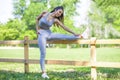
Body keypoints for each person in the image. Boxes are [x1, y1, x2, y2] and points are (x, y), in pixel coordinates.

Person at [36, 6, 88, 79]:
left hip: (49, 34)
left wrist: (74, 33)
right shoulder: (45, 13)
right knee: (43, 53)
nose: (60, 14)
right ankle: (44, 73)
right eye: (59, 12)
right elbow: (37, 19)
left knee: (63, 36)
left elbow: (64, 27)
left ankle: (80, 36)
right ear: (56, 10)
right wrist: (37, 29)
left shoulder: (55, 20)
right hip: (41, 34)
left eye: (61, 14)